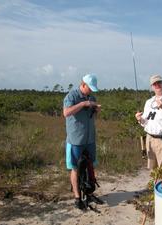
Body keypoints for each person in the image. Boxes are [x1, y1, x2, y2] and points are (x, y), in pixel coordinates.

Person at [63, 73, 101, 210]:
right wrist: (84, 103)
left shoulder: (92, 97)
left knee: (90, 166)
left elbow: (94, 115)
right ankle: (77, 198)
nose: (91, 91)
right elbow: (66, 113)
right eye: (89, 88)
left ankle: (89, 193)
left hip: (90, 138)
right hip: (75, 140)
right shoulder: (71, 96)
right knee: (75, 168)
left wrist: (96, 109)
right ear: (83, 84)